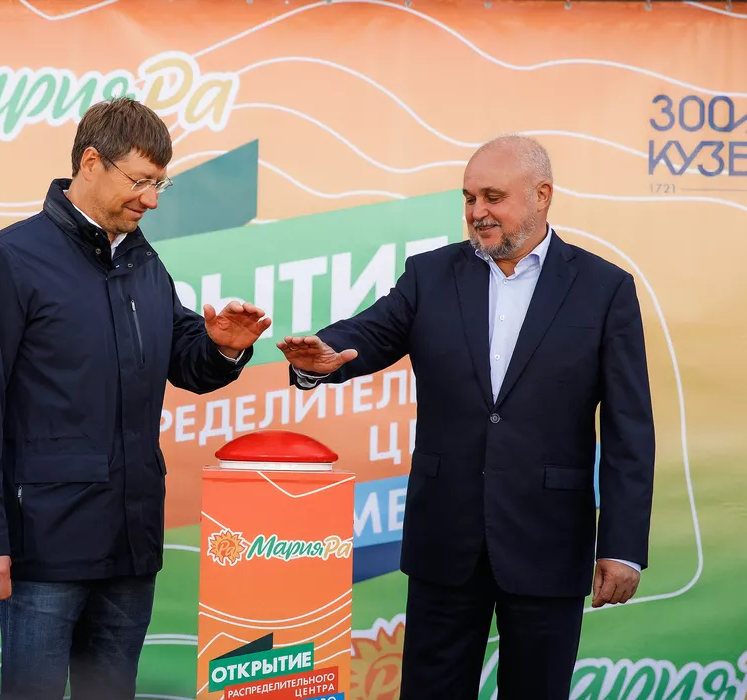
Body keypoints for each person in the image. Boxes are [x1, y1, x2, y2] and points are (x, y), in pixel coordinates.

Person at [277, 134, 655, 698]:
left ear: (542, 194)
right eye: (469, 197)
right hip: (445, 539)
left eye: (493, 197)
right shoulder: (429, 275)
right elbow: (370, 332)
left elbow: (630, 429)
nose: (478, 212)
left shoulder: (605, 289)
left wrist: (621, 546)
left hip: (549, 541)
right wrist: (322, 358)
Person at [0, 97, 271, 699]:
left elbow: (185, 361)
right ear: (91, 162)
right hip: (45, 548)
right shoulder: (9, 258)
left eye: (159, 185)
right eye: (141, 181)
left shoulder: (144, 263)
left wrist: (223, 348)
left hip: (131, 547)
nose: (151, 200)